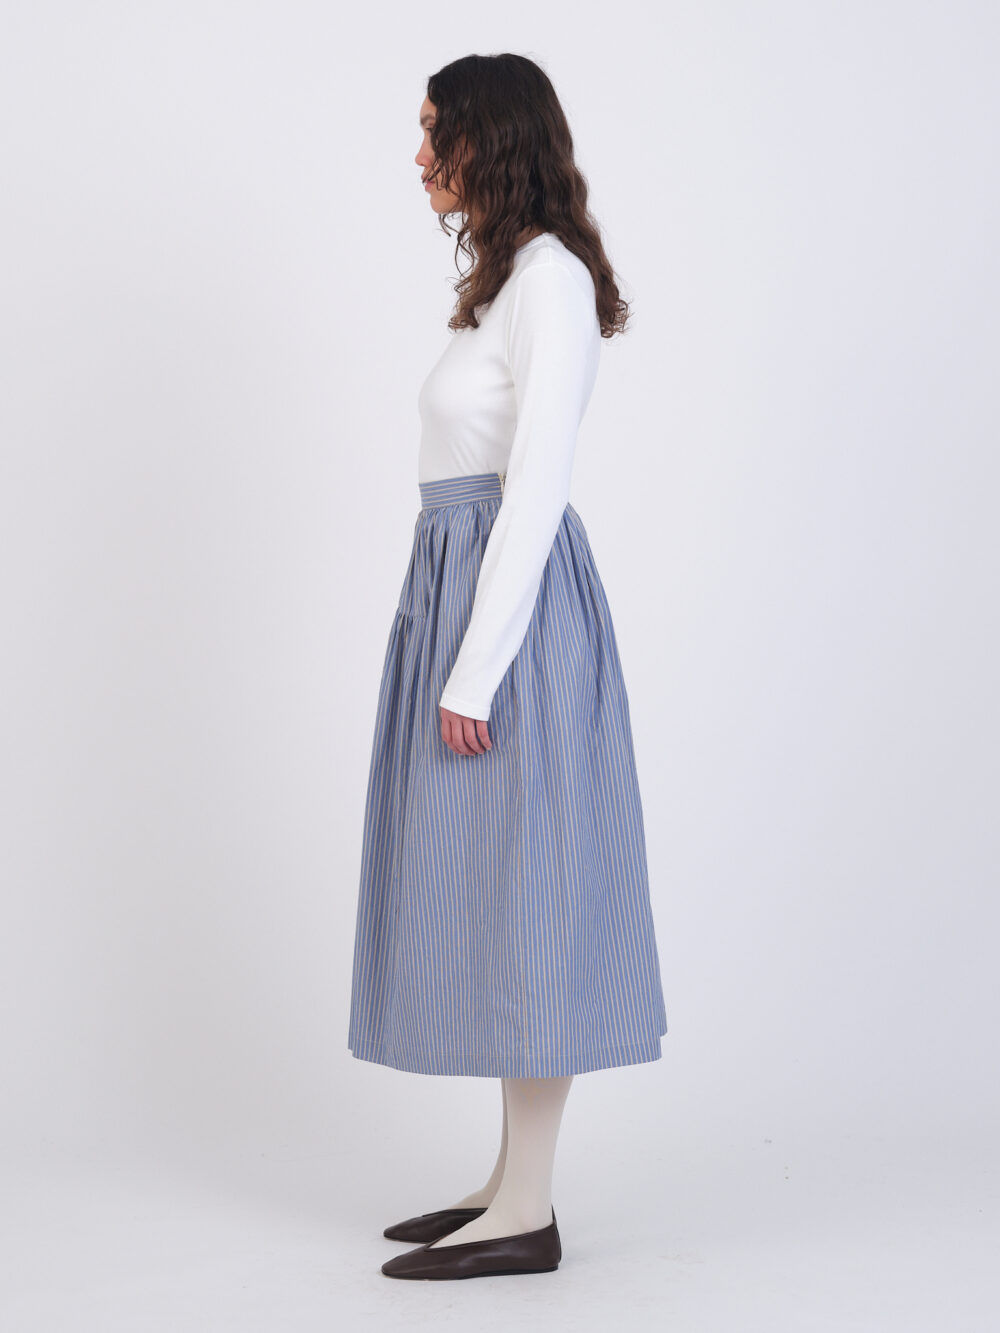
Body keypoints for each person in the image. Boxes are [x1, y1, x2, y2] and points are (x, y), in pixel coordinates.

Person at [347, 52, 668, 1281]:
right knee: (492, 886)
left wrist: (476, 670)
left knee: (529, 887)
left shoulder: (550, 281)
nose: (421, 157)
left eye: (438, 133)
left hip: (513, 618)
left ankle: (527, 1208)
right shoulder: (506, 284)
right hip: (462, 596)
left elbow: (534, 484)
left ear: (491, 138)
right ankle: (505, 1181)